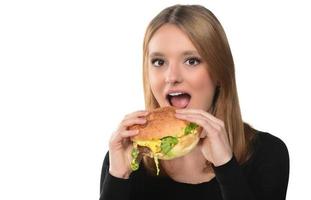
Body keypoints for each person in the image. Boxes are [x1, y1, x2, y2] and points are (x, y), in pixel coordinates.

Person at [99, 4, 289, 200]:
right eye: (159, 62)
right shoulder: (125, 158)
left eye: (191, 61)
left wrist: (226, 166)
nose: (171, 77)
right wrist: (118, 178)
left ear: (218, 72)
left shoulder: (268, 154)